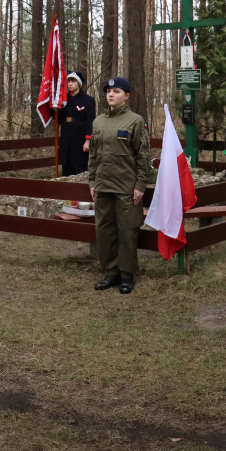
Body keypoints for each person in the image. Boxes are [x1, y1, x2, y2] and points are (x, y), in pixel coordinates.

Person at [88, 77, 151, 295]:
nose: (111, 94)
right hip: (103, 186)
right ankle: (111, 272)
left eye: (116, 91)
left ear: (127, 96)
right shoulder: (98, 122)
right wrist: (92, 181)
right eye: (108, 91)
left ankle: (126, 274)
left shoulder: (135, 121)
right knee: (104, 231)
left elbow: (143, 156)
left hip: (126, 187)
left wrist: (140, 185)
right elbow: (94, 155)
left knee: (127, 232)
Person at [57, 71, 97, 176]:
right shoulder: (63, 101)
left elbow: (90, 121)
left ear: (79, 83)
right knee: (66, 169)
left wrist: (88, 140)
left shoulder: (88, 100)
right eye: (69, 81)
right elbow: (59, 120)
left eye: (73, 81)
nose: (70, 83)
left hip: (80, 139)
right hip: (66, 138)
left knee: (81, 170)